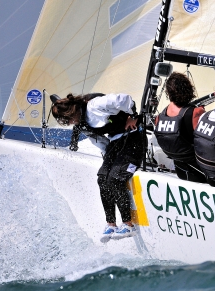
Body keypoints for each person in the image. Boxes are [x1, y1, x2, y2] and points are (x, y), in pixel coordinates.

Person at [51, 92, 147, 242]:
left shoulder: (95, 105)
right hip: (115, 143)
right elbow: (98, 141)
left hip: (133, 138)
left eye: (67, 119)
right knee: (103, 178)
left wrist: (133, 116)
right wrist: (108, 160)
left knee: (115, 179)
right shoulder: (81, 122)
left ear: (72, 112)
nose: (69, 123)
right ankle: (111, 224)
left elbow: (123, 99)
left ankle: (128, 225)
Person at [153, 72, 207, 183]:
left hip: (180, 171)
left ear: (168, 93)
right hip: (200, 173)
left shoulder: (159, 117)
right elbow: (206, 143)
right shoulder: (196, 112)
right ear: (188, 89)